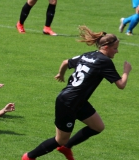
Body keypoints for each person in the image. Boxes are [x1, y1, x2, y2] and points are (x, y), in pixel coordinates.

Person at [21, 26, 132, 160]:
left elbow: (65, 62)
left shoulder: (87, 54)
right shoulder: (105, 62)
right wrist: (126, 71)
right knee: (60, 139)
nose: (117, 51)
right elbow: (121, 85)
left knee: (98, 127)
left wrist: (60, 74)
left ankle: (66, 147)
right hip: (68, 103)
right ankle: (29, 157)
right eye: (115, 48)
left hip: (77, 101)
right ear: (106, 47)